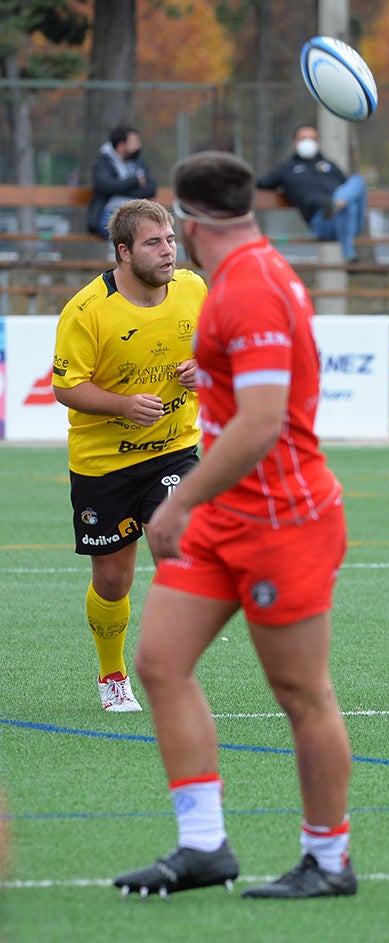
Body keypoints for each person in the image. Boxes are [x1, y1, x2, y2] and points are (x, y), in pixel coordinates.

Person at [113, 151, 356, 899]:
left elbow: (259, 424)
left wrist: (178, 500)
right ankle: (203, 845)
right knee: (158, 660)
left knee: (301, 693)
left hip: (283, 517)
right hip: (227, 514)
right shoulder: (246, 271)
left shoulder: (249, 285)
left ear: (185, 220)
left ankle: (328, 858)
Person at [52, 199, 205, 712]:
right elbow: (66, 386)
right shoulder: (86, 310)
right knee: (113, 580)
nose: (168, 252)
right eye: (153, 243)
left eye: (170, 239)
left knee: (177, 542)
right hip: (105, 463)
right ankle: (112, 673)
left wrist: (201, 364)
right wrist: (121, 405)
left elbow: (217, 347)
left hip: (175, 450)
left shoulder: (193, 289)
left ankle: (167, 667)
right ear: (123, 251)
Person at [256, 124, 367, 263]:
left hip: (352, 221)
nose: (307, 142)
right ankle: (348, 250)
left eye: (312, 138)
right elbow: (262, 183)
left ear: (318, 143)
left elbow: (348, 187)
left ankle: (336, 205)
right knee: (349, 207)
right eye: (303, 138)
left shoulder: (330, 165)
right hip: (322, 220)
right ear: (294, 143)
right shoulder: (286, 169)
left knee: (357, 181)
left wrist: (339, 201)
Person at [87, 126, 157, 237]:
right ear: (121, 145)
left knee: (150, 230)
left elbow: (151, 189)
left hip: (137, 212)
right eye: (134, 142)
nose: (139, 145)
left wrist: (119, 188)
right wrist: (135, 181)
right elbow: (105, 187)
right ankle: (118, 254)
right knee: (124, 230)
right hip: (109, 212)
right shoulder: (103, 163)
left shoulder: (139, 163)